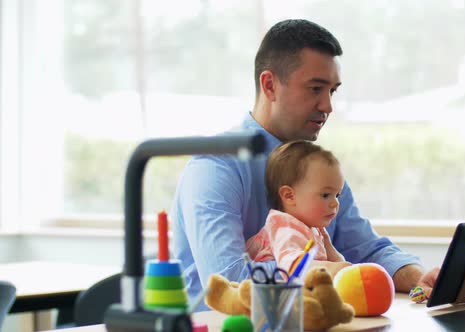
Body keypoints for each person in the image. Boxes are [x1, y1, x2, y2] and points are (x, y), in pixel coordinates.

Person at [171, 19, 439, 312]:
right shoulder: (214, 168)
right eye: (315, 89)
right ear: (270, 85)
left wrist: (419, 277)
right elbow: (231, 280)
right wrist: (326, 272)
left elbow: (367, 250)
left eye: (332, 91)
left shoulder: (317, 167)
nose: (328, 105)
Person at [246, 140, 347, 273]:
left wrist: (343, 267)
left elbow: (335, 260)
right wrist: (336, 270)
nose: (335, 203)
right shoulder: (285, 229)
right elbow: (293, 267)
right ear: (289, 196)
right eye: (326, 195)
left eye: (337, 195)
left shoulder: (315, 229)